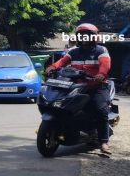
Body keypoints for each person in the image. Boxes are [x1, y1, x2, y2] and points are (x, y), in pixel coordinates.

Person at [46, 23, 112, 154]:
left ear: (93, 37)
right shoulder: (73, 51)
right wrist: (52, 67)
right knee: (62, 104)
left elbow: (105, 64)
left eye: (87, 35)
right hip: (77, 86)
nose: (84, 38)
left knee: (100, 111)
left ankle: (104, 142)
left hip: (96, 86)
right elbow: (62, 62)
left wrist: (101, 74)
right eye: (81, 35)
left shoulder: (101, 50)